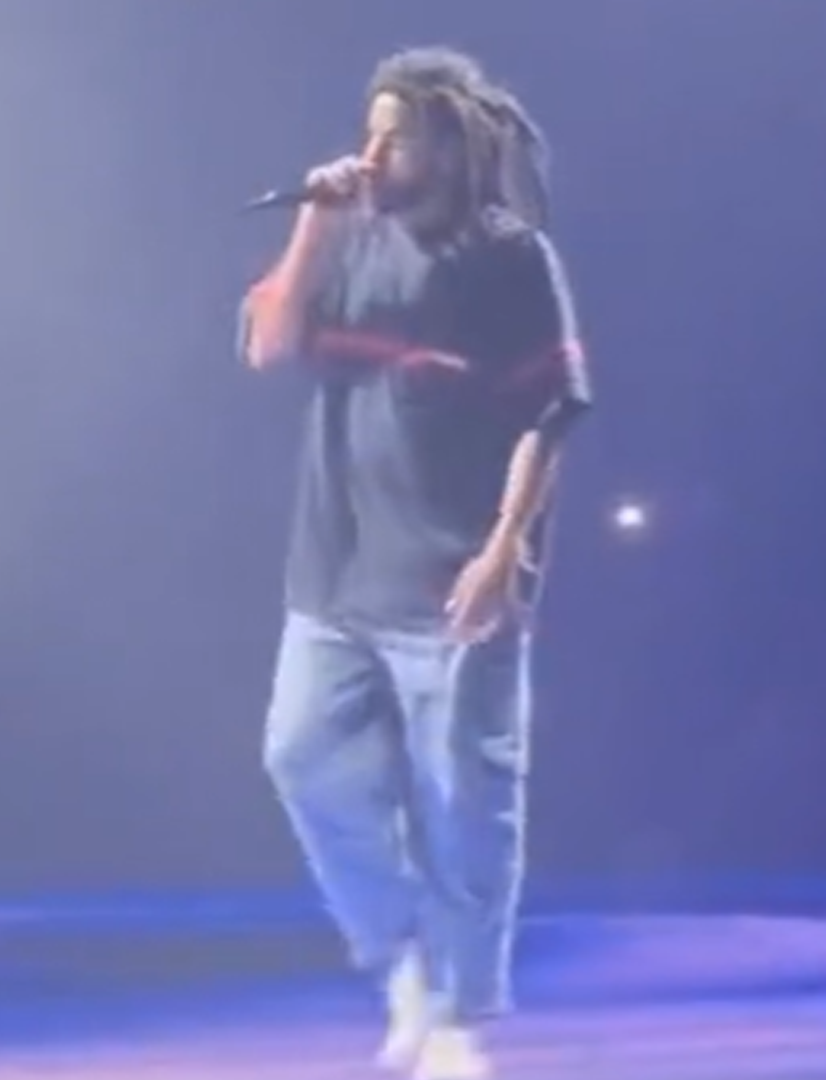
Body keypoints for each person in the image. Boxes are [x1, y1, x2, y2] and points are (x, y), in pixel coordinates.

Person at [239, 48, 592, 1080]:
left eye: (395, 136)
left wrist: (505, 549)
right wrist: (316, 222)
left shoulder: (508, 256)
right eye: (370, 131)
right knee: (299, 756)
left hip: (453, 582)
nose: (373, 152)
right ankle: (402, 960)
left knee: (466, 805)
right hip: (335, 577)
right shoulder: (346, 238)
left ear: (445, 147)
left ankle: (458, 1015)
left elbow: (548, 415)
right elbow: (267, 344)